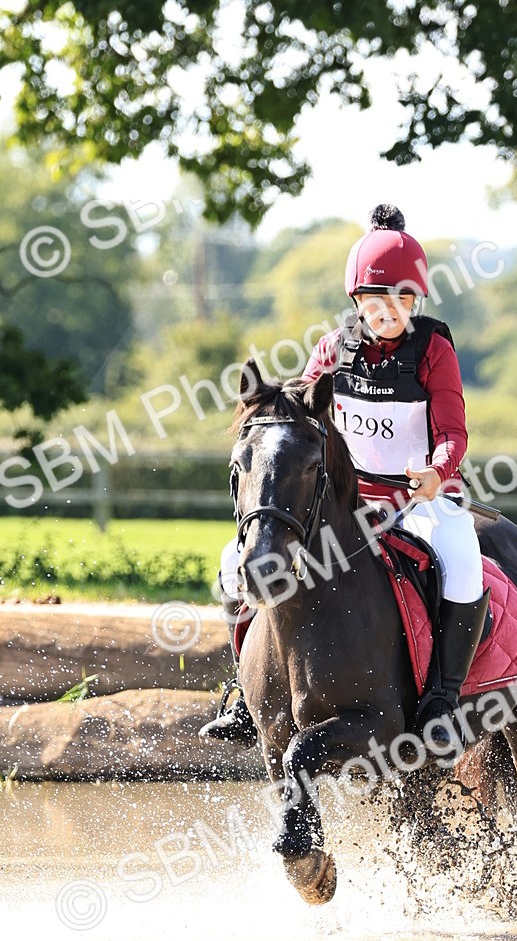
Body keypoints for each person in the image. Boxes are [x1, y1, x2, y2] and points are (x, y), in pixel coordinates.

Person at [200, 203, 489, 751]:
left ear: (416, 300)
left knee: (464, 558)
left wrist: (437, 470)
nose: (390, 311)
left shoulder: (433, 350)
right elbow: (301, 405)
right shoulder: (334, 349)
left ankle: (443, 702)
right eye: (378, 300)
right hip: (344, 499)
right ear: (357, 301)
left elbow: (453, 431)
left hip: (416, 498)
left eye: (403, 300)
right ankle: (244, 696)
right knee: (233, 562)